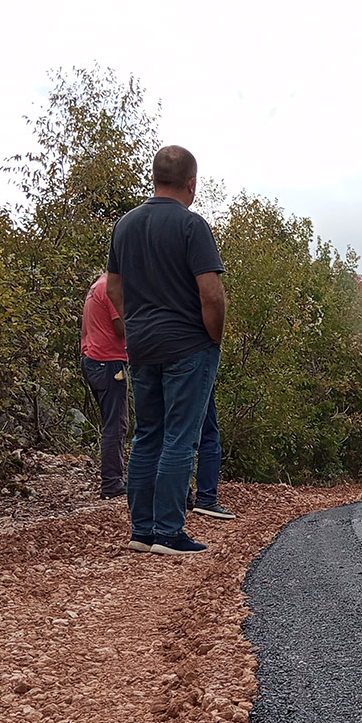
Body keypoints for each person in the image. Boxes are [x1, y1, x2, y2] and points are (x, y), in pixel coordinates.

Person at [106, 145, 226, 556]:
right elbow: (211, 294)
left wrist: (136, 323)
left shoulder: (125, 226)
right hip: (188, 345)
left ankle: (142, 531)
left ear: (154, 177)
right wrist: (213, 338)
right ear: (191, 184)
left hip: (142, 346)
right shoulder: (192, 227)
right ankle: (170, 533)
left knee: (146, 435)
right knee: (180, 438)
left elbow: (113, 288)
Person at [79, 273, 129, 499]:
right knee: (115, 423)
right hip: (107, 361)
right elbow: (121, 328)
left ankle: (113, 479)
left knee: (111, 421)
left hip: (92, 358)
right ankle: (112, 482)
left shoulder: (98, 284)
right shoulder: (112, 289)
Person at [189, 389, 234, 519]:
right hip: (195, 375)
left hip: (163, 376)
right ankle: (206, 498)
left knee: (176, 434)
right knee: (209, 436)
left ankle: (181, 495)